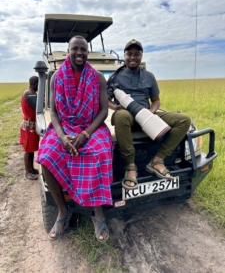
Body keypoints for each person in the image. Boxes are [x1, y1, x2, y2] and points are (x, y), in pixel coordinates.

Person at [36, 35, 113, 243]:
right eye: (75, 49)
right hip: (64, 127)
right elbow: (53, 112)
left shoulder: (97, 77)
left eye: (83, 49)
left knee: (100, 152)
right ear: (68, 51)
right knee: (46, 155)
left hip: (91, 127)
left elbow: (104, 111)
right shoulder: (56, 77)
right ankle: (63, 210)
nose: (79, 53)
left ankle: (98, 213)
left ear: (87, 52)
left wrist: (85, 133)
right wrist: (61, 136)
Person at [107, 39, 191, 190]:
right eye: (129, 54)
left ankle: (157, 160)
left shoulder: (149, 76)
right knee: (121, 116)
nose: (133, 57)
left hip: (147, 113)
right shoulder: (115, 77)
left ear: (141, 56)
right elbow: (105, 99)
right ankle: (131, 166)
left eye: (137, 54)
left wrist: (151, 112)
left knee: (184, 120)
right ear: (124, 56)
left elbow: (156, 100)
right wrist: (115, 107)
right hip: (128, 115)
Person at [19, 76, 39, 180]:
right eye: (38, 84)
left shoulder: (30, 92)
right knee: (27, 150)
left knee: (31, 149)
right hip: (28, 125)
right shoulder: (29, 93)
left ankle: (31, 168)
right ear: (35, 83)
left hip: (31, 124)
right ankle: (27, 173)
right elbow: (38, 105)